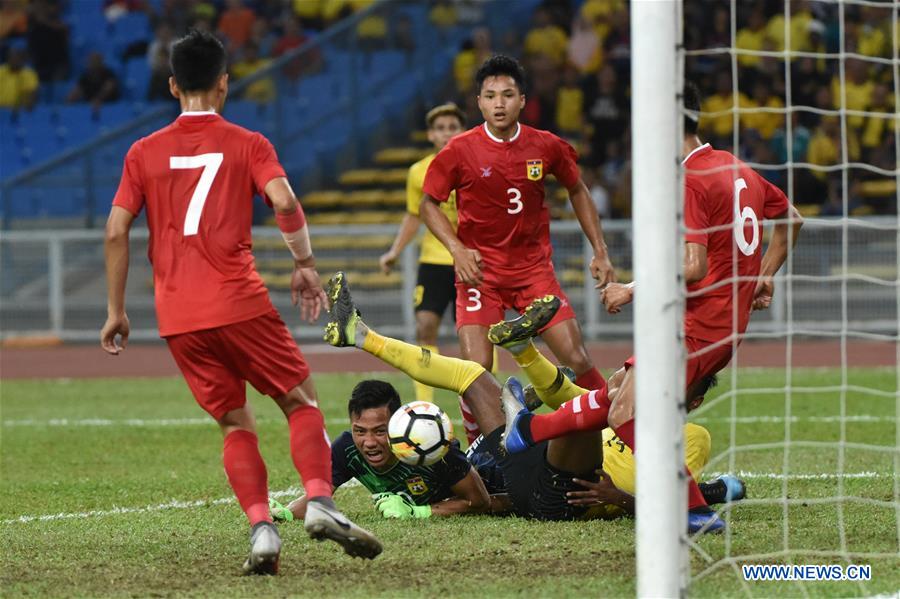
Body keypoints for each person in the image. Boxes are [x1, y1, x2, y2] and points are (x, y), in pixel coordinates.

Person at [99, 30, 382, 575]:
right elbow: (284, 200)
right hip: (240, 302)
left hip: (178, 317)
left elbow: (116, 231)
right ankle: (320, 501)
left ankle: (262, 532)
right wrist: (304, 265)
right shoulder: (249, 143)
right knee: (300, 402)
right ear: (225, 83)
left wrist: (117, 310)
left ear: (173, 85)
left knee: (235, 425)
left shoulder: (142, 151)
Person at [501, 82, 802, 533]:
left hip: (694, 327)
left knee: (627, 415)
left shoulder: (690, 178)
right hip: (726, 329)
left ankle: (694, 509)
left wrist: (630, 289)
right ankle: (526, 432)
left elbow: (692, 265)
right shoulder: (736, 167)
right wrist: (766, 273)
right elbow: (792, 219)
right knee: (621, 386)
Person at [308, 273, 743, 522]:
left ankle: (524, 418)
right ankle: (364, 336)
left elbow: (671, 493)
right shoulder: (625, 400)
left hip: (563, 495)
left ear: (693, 395)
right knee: (475, 376)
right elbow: (570, 393)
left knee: (598, 409)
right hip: (527, 461)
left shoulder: (690, 436)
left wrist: (620, 500)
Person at [419, 54, 616, 443]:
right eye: (490, 96)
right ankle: (485, 446)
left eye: (507, 95)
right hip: (480, 275)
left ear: (522, 100)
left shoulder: (546, 146)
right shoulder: (459, 150)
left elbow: (577, 187)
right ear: (479, 102)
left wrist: (600, 250)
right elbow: (428, 204)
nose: (499, 103)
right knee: (476, 368)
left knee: (575, 357)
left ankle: (615, 427)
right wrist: (457, 250)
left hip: (533, 271)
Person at [273, 378, 501, 522]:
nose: (369, 442)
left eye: (379, 431)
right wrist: (285, 513)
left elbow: (479, 501)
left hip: (494, 472)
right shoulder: (346, 450)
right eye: (360, 431)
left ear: (396, 423)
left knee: (523, 500)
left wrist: (418, 512)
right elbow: (318, 498)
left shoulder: (428, 446)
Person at [379, 103, 465, 404]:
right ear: (431, 134)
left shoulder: (474, 164)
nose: (446, 133)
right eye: (440, 128)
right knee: (425, 327)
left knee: (475, 338)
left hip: (470, 262)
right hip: (433, 261)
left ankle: (483, 397)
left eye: (452, 127)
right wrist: (394, 251)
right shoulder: (418, 172)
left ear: (462, 131)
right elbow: (414, 216)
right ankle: (424, 403)